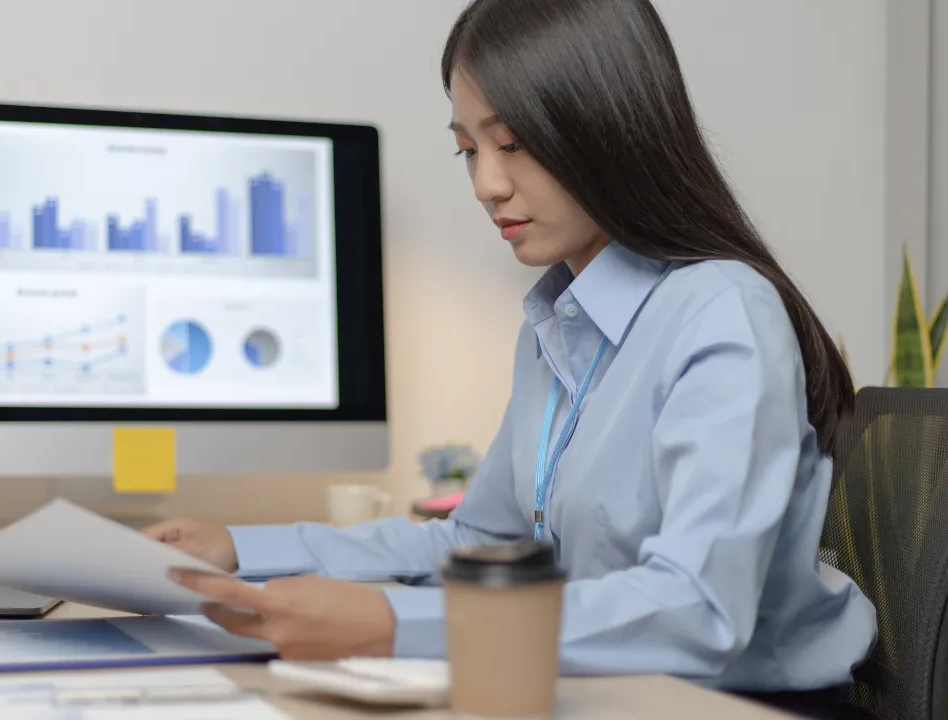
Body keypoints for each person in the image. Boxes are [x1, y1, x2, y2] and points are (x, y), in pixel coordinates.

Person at [145, 0, 876, 716]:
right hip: (612, 692)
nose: (486, 185)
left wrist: (397, 625)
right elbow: (479, 539)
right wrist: (238, 548)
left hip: (745, 703)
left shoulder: (722, 311)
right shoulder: (554, 324)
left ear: (609, 127)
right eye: (468, 150)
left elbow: (698, 609)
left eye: (514, 143)